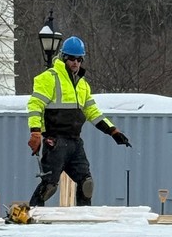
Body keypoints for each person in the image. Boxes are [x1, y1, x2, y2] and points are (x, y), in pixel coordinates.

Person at [27, 36, 130, 207]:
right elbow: (35, 105)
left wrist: (113, 131)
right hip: (56, 141)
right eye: (71, 58)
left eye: (79, 59)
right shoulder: (49, 78)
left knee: (86, 184)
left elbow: (92, 112)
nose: (75, 62)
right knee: (49, 186)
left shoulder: (82, 85)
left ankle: (82, 220)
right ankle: (30, 215)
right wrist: (35, 131)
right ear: (63, 57)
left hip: (75, 142)